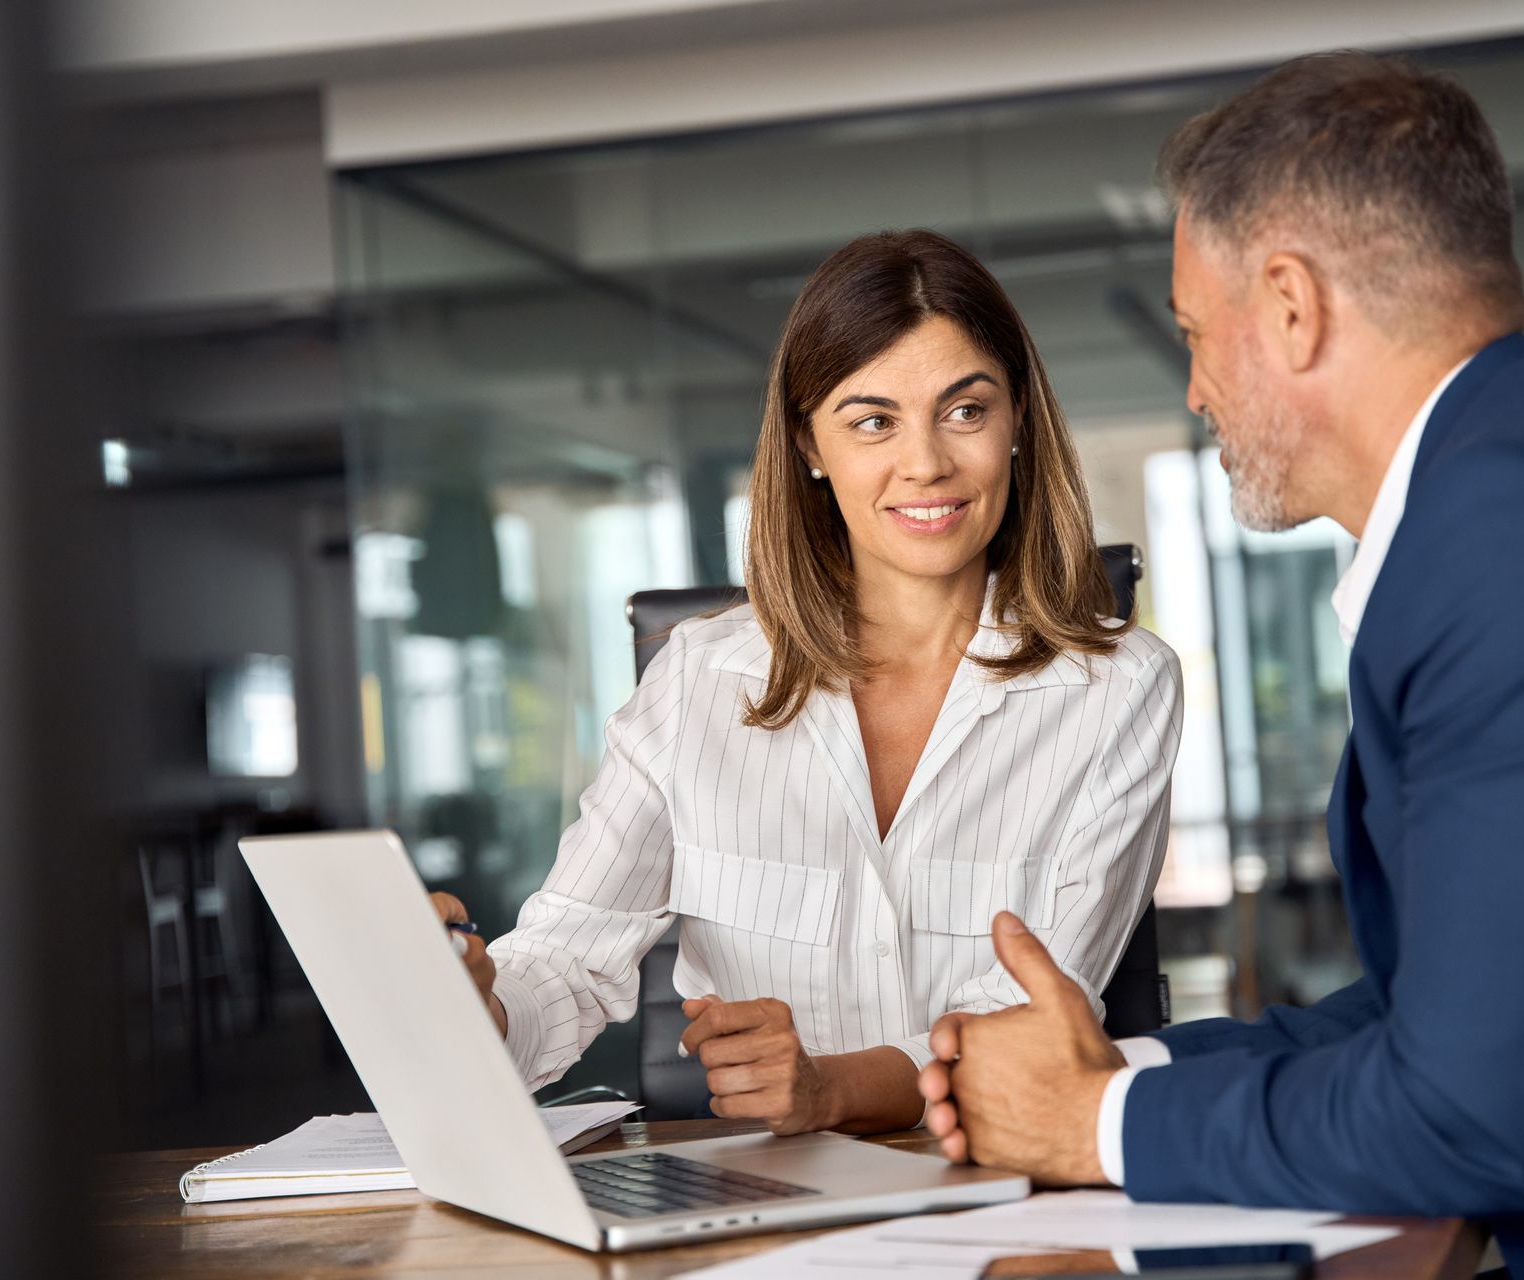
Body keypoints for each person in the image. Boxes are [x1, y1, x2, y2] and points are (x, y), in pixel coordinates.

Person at [917, 51, 1524, 1280]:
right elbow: (1449, 1012)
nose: (1193, 388)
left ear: (1292, 307)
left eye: (1198, 334)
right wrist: (1118, 1067)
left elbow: (1483, 1111)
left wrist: (1091, 1125)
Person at [438, 228, 1183, 1137]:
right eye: (873, 420)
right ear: (810, 445)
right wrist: (480, 1006)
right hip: (764, 1199)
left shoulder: (1120, 689)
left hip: (1004, 1188)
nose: (926, 464)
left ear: (1018, 420)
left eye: (965, 410)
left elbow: (1032, 1013)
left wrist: (832, 1088)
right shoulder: (698, 681)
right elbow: (567, 958)